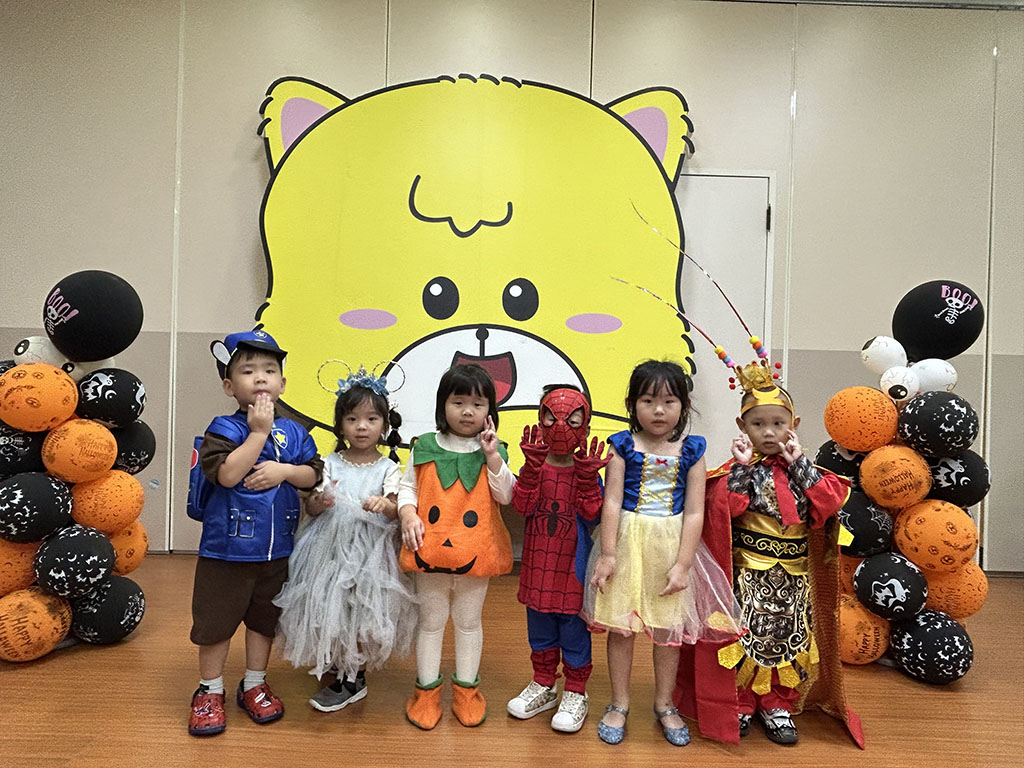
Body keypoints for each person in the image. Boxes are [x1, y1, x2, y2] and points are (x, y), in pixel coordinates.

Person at [674, 361, 864, 748]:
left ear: (794, 423)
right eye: (758, 424)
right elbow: (727, 509)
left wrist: (800, 464)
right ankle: (742, 702)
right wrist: (742, 468)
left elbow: (827, 503)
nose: (769, 432)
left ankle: (777, 705)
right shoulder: (736, 471)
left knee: (789, 639)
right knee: (745, 640)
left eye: (778, 423)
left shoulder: (807, 471)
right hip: (747, 575)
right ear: (742, 426)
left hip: (794, 577)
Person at [582, 360, 739, 747]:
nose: (658, 410)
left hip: (671, 547)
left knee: (668, 631)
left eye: (669, 401)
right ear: (632, 404)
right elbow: (612, 502)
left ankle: (665, 703)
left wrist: (683, 564)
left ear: (683, 406)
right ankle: (618, 702)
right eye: (648, 400)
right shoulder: (622, 446)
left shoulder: (692, 451)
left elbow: (695, 511)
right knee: (622, 628)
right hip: (626, 542)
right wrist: (608, 554)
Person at [187, 330, 322, 737]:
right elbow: (227, 475)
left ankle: (254, 683)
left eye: (269, 370)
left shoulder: (295, 432)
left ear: (283, 383)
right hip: (226, 551)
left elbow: (314, 474)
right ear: (230, 386)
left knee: (264, 621)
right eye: (248, 371)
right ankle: (209, 690)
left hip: (277, 552)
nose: (260, 377)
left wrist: (285, 471)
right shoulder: (225, 428)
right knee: (215, 624)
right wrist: (258, 433)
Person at [273, 366, 416, 713]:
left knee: (363, 611)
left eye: (371, 419)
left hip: (370, 553)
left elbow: (396, 507)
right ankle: (340, 664)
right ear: (340, 426)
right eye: (352, 419)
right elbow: (312, 506)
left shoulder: (388, 468)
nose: (362, 427)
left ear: (384, 425)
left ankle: (354, 677)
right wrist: (319, 501)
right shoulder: (329, 463)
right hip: (328, 550)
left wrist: (385, 505)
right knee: (330, 606)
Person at [398, 364, 514, 730]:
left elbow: (506, 495)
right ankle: (426, 694)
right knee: (430, 623)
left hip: (474, 554)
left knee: (468, 623)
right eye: (458, 402)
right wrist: (408, 514)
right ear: (442, 405)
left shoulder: (494, 450)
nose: (467, 411)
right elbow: (408, 488)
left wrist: (492, 456)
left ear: (490, 410)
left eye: (478, 404)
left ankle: (467, 692)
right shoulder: (423, 446)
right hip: (429, 551)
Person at [506, 385, 607, 733]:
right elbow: (522, 506)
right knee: (539, 627)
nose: (561, 427)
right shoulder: (535, 464)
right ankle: (544, 683)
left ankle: (576, 691)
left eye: (573, 421)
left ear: (586, 427)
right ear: (540, 421)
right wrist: (530, 470)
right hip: (538, 567)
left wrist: (589, 480)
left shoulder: (586, 469)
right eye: (552, 418)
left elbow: (594, 515)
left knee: (573, 630)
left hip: (573, 568)